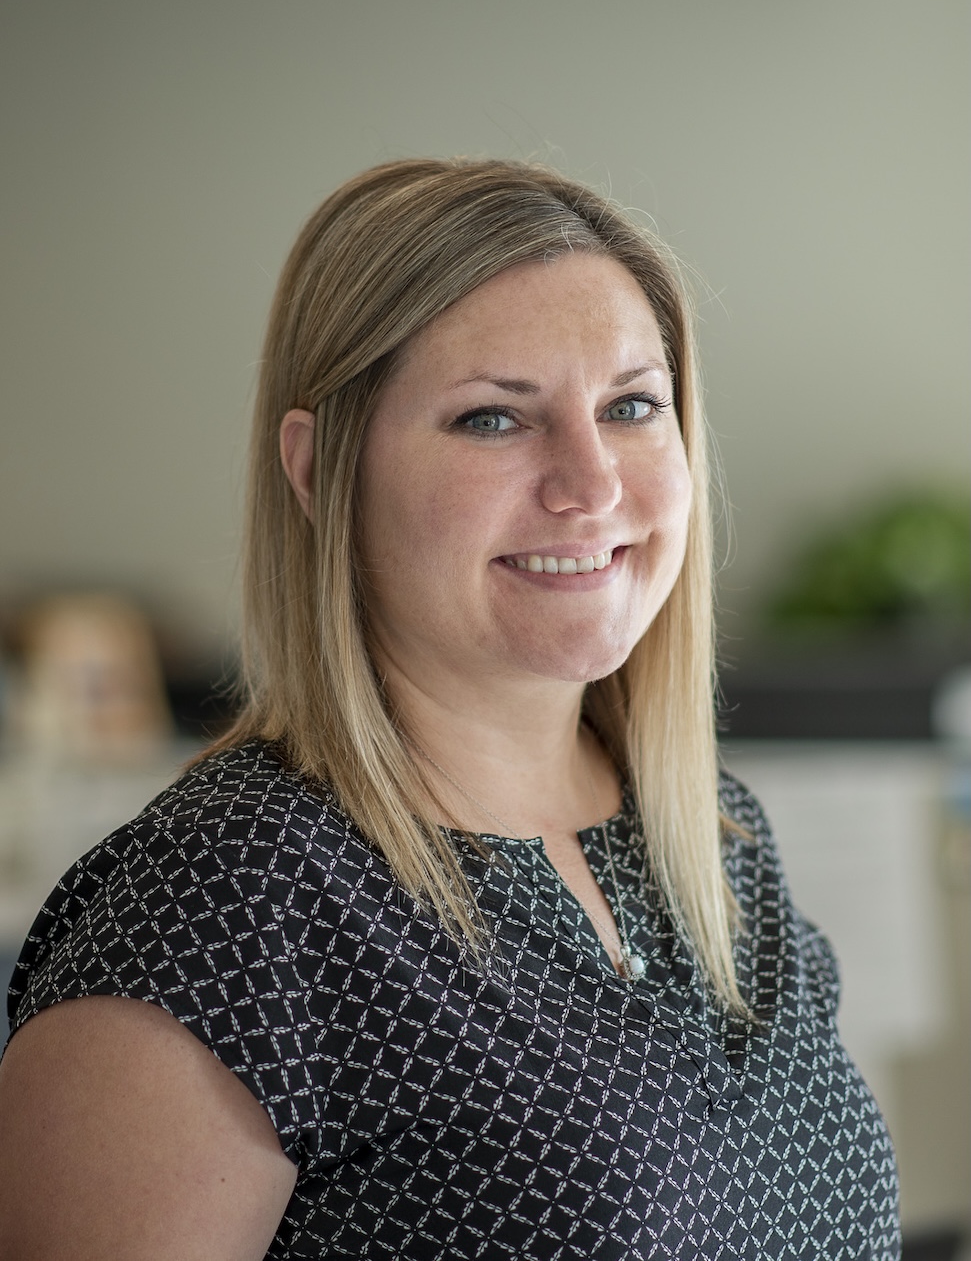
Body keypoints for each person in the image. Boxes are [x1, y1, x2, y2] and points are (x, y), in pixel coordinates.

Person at [0, 158, 900, 1259]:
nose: (591, 485)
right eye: (490, 419)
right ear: (322, 468)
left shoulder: (711, 837)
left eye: (629, 406)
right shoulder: (220, 905)